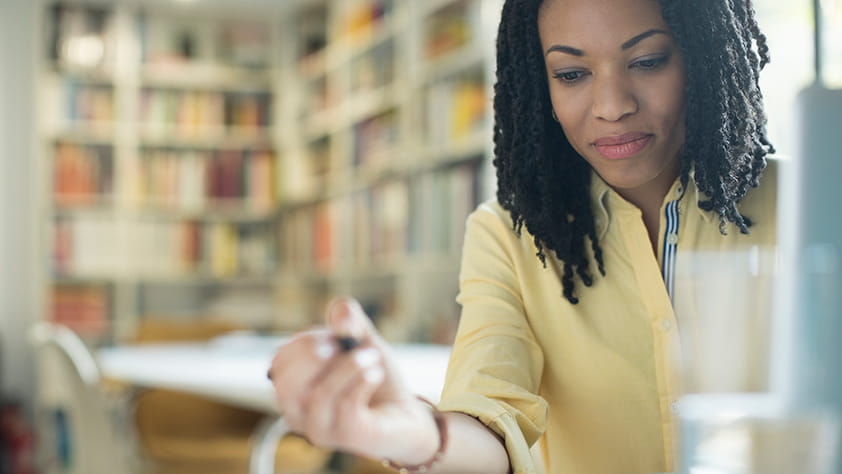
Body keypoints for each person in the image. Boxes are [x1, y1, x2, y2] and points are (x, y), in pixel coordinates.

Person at [267, 0, 778, 472]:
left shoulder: (811, 203)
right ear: (542, 84)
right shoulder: (508, 236)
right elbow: (492, 418)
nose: (612, 105)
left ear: (703, 54)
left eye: (646, 61)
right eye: (572, 73)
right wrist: (417, 432)